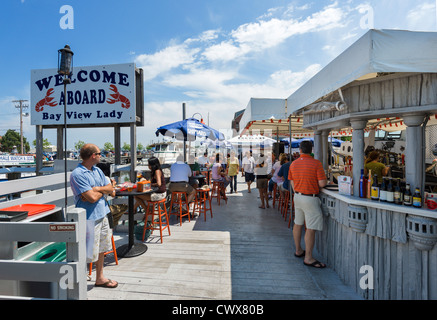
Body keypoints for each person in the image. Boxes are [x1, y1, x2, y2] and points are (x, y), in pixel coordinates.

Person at [70, 143, 118, 288]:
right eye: (99, 153)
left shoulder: (97, 170)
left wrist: (96, 189)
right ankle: (80, 286)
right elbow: (91, 198)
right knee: (86, 253)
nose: (101, 155)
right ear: (93, 156)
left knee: (102, 248)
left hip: (103, 214)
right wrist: (103, 190)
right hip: (89, 218)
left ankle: (100, 278)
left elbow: (112, 190)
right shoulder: (77, 174)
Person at [288, 140, 327, 269]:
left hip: (297, 196)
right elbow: (322, 184)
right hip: (310, 198)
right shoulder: (316, 163)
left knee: (297, 223)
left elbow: (292, 182)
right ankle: (308, 257)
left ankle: (298, 250)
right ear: (311, 150)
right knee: (310, 228)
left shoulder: (293, 164)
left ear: (300, 150)